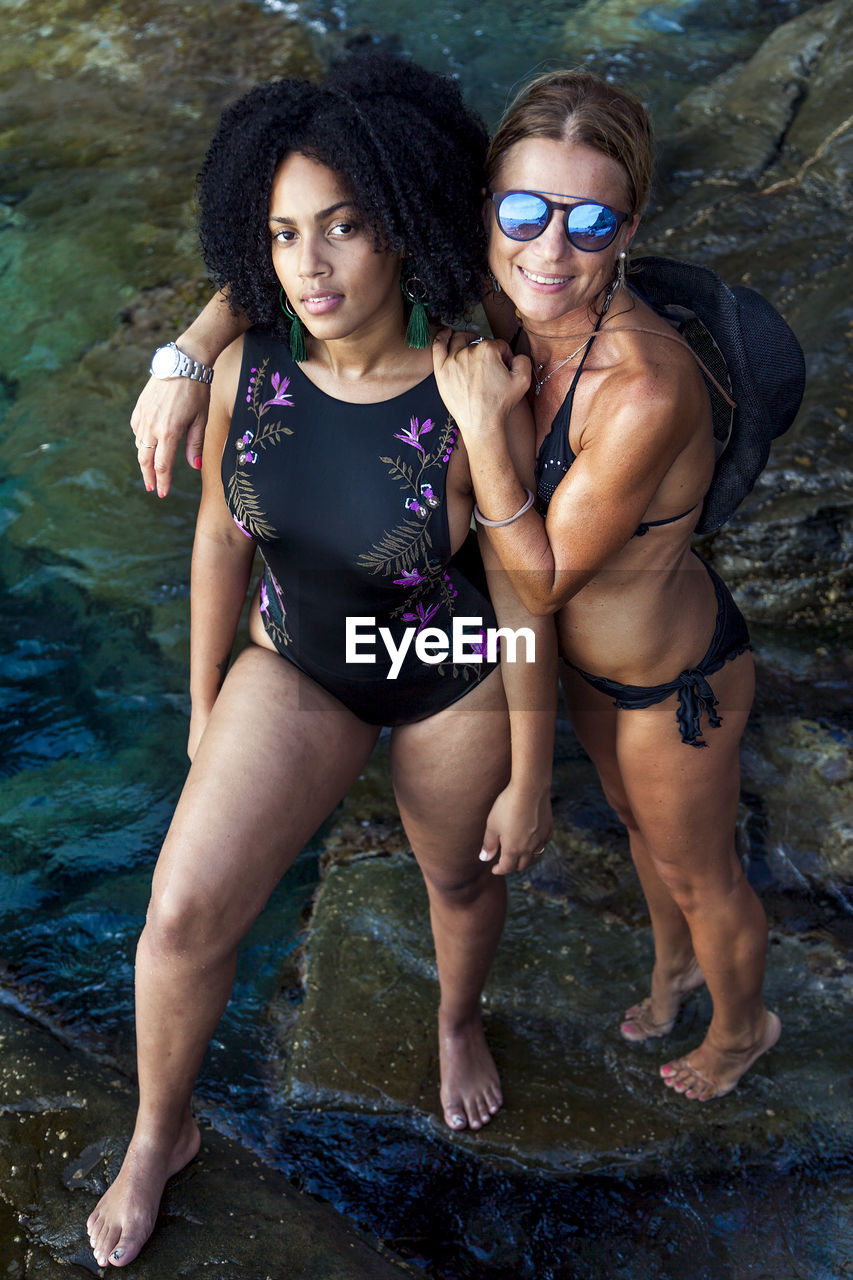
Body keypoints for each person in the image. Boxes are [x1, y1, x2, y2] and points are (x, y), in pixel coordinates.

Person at [88, 53, 557, 1269]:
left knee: (454, 878)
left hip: (442, 659)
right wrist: (201, 713)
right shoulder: (245, 368)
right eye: (286, 234)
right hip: (294, 660)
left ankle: (457, 1019)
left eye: (345, 227)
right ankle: (160, 1130)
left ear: (400, 228)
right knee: (180, 913)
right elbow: (215, 542)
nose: (312, 264)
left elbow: (516, 587)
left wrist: (532, 767)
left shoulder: (469, 375)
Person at [432, 68, 780, 1105]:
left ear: (628, 226)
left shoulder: (643, 384)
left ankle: (741, 1025)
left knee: (699, 871)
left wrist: (487, 428)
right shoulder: (513, 307)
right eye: (524, 210)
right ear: (488, 203)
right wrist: (189, 358)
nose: (548, 250)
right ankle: (674, 968)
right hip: (585, 666)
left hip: (673, 682)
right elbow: (324, 268)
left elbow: (535, 575)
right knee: (637, 830)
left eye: (588, 222)